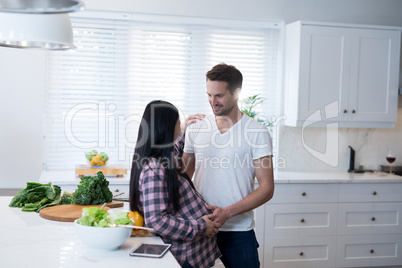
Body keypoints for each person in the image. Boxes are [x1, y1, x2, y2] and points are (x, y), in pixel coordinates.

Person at [182, 63, 275, 268]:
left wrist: (227, 212)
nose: (212, 102)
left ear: (236, 93)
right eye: (209, 95)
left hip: (238, 232)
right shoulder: (196, 128)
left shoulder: (257, 132)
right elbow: (183, 176)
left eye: (219, 96)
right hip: (199, 226)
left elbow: (267, 188)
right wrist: (179, 133)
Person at [129, 100, 220, 268]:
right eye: (178, 123)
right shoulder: (154, 169)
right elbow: (156, 221)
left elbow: (175, 153)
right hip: (184, 255)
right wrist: (201, 225)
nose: (180, 126)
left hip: (191, 252)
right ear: (167, 128)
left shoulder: (161, 158)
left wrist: (183, 130)